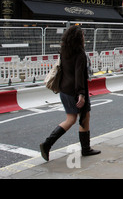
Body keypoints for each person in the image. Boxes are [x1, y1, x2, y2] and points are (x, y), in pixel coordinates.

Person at [40, 25, 101, 161]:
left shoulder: (64, 51)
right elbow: (79, 75)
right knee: (84, 117)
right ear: (79, 39)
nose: (84, 38)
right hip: (75, 91)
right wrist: (81, 94)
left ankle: (47, 144)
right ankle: (85, 149)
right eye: (83, 35)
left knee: (71, 119)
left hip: (64, 90)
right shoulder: (79, 54)